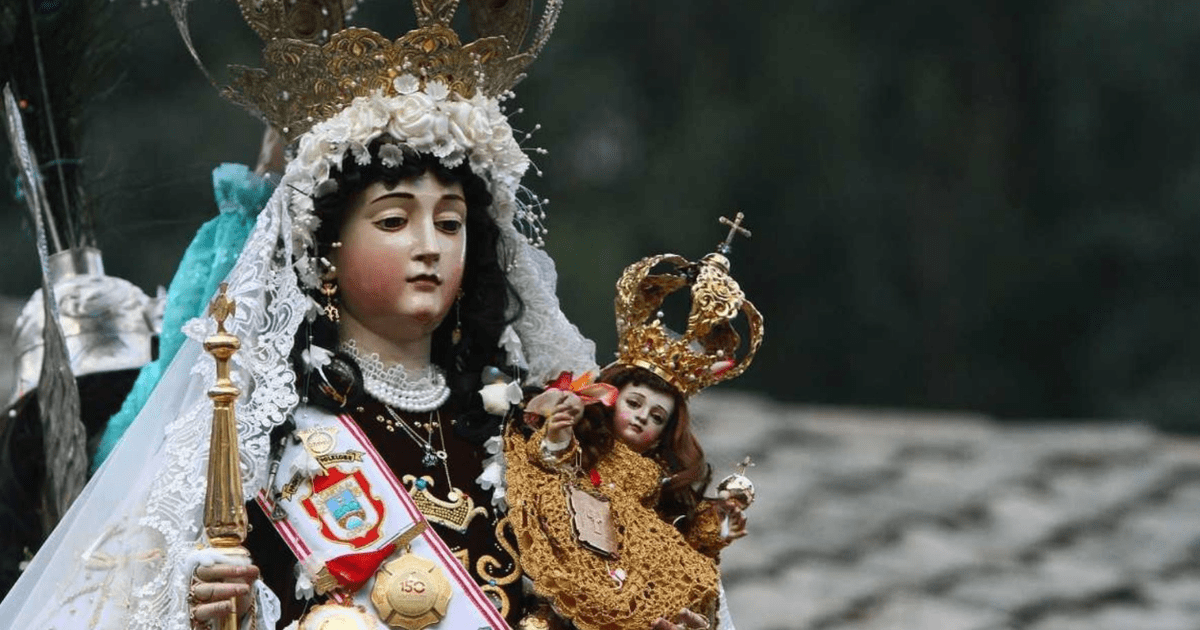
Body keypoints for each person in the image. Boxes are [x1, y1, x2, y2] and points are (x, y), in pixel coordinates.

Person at [0, 1, 600, 628]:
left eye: (450, 223)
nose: (431, 246)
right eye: (394, 220)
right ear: (326, 254)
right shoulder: (258, 439)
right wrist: (213, 608)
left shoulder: (531, 428)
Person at [506, 246, 764, 630]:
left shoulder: (657, 478)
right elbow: (553, 465)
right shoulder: (592, 445)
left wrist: (722, 522)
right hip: (574, 534)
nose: (643, 417)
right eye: (635, 403)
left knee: (694, 582)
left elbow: (695, 537)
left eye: (656, 416)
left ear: (664, 434)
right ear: (610, 400)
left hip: (631, 559)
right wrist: (559, 434)